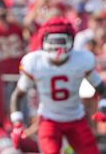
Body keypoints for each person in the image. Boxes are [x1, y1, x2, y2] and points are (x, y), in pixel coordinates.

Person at [9, 17, 106, 153]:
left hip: (76, 118)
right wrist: (17, 123)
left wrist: (103, 107)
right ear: (43, 41)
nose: (58, 46)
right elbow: (18, 95)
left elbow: (102, 89)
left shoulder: (81, 60)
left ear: (71, 41)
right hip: (49, 119)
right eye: (53, 41)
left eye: (61, 41)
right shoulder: (35, 62)